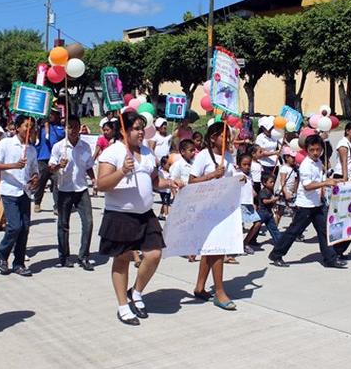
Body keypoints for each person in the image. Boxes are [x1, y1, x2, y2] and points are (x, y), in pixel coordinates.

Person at [97, 111, 178, 325]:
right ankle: (123, 306)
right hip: (120, 214)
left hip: (145, 215)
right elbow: (101, 184)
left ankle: (136, 291)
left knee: (154, 254)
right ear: (124, 130)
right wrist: (122, 171)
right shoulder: (112, 152)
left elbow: (153, 181)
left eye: (142, 127)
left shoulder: (147, 153)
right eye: (136, 128)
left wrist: (169, 183)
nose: (141, 132)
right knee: (122, 259)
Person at [268, 134, 347, 268]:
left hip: (317, 204)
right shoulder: (306, 165)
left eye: (318, 149)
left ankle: (330, 259)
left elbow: (322, 180)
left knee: (324, 231)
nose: (315, 152)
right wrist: (325, 183)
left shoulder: (318, 162)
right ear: (307, 150)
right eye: (312, 150)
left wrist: (337, 181)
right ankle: (276, 254)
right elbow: (307, 185)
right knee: (293, 231)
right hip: (305, 206)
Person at [189, 121, 238, 310]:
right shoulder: (203, 156)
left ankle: (200, 286)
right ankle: (219, 292)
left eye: (228, 134)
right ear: (212, 138)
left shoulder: (227, 156)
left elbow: (229, 179)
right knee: (218, 249)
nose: (227, 138)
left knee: (210, 250)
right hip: (206, 210)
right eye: (222, 135)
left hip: (223, 208)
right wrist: (211, 175)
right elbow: (191, 181)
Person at [0, 115, 39, 277]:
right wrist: (14, 165)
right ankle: (2, 253)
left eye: (31, 127)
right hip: (10, 190)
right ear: (18, 127)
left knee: (25, 228)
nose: (29, 129)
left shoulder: (31, 149)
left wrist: (35, 178)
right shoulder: (6, 143)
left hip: (25, 192)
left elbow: (34, 170)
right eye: (26, 126)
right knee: (14, 226)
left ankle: (19, 262)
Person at [49, 116, 96, 270]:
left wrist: (94, 180)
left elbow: (88, 165)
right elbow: (51, 168)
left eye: (76, 127)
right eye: (70, 127)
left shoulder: (85, 147)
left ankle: (84, 256)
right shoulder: (59, 147)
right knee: (63, 224)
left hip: (81, 188)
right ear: (65, 129)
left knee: (88, 223)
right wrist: (58, 165)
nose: (74, 130)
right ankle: (64, 256)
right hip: (64, 189)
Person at [34, 109, 64, 214]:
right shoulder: (40, 127)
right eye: (49, 114)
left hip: (55, 160)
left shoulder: (60, 129)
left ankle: (57, 206)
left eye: (52, 114)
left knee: (56, 183)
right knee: (41, 182)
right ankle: (37, 202)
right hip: (42, 158)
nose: (50, 116)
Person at [235, 153, 260, 254]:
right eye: (244, 164)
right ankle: (237, 246)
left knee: (257, 223)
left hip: (248, 203)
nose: (247, 167)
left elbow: (250, 190)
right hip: (240, 203)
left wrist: (253, 200)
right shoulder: (237, 175)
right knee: (239, 227)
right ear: (239, 164)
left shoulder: (249, 176)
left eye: (249, 164)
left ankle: (244, 243)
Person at [275, 147, 299, 226]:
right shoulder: (284, 168)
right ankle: (274, 229)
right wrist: (286, 192)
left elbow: (296, 182)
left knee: (296, 212)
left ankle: (293, 229)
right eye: (292, 157)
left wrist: (295, 192)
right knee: (279, 212)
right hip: (284, 193)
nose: (294, 159)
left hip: (292, 194)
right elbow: (282, 182)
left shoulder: (295, 168)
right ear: (286, 157)